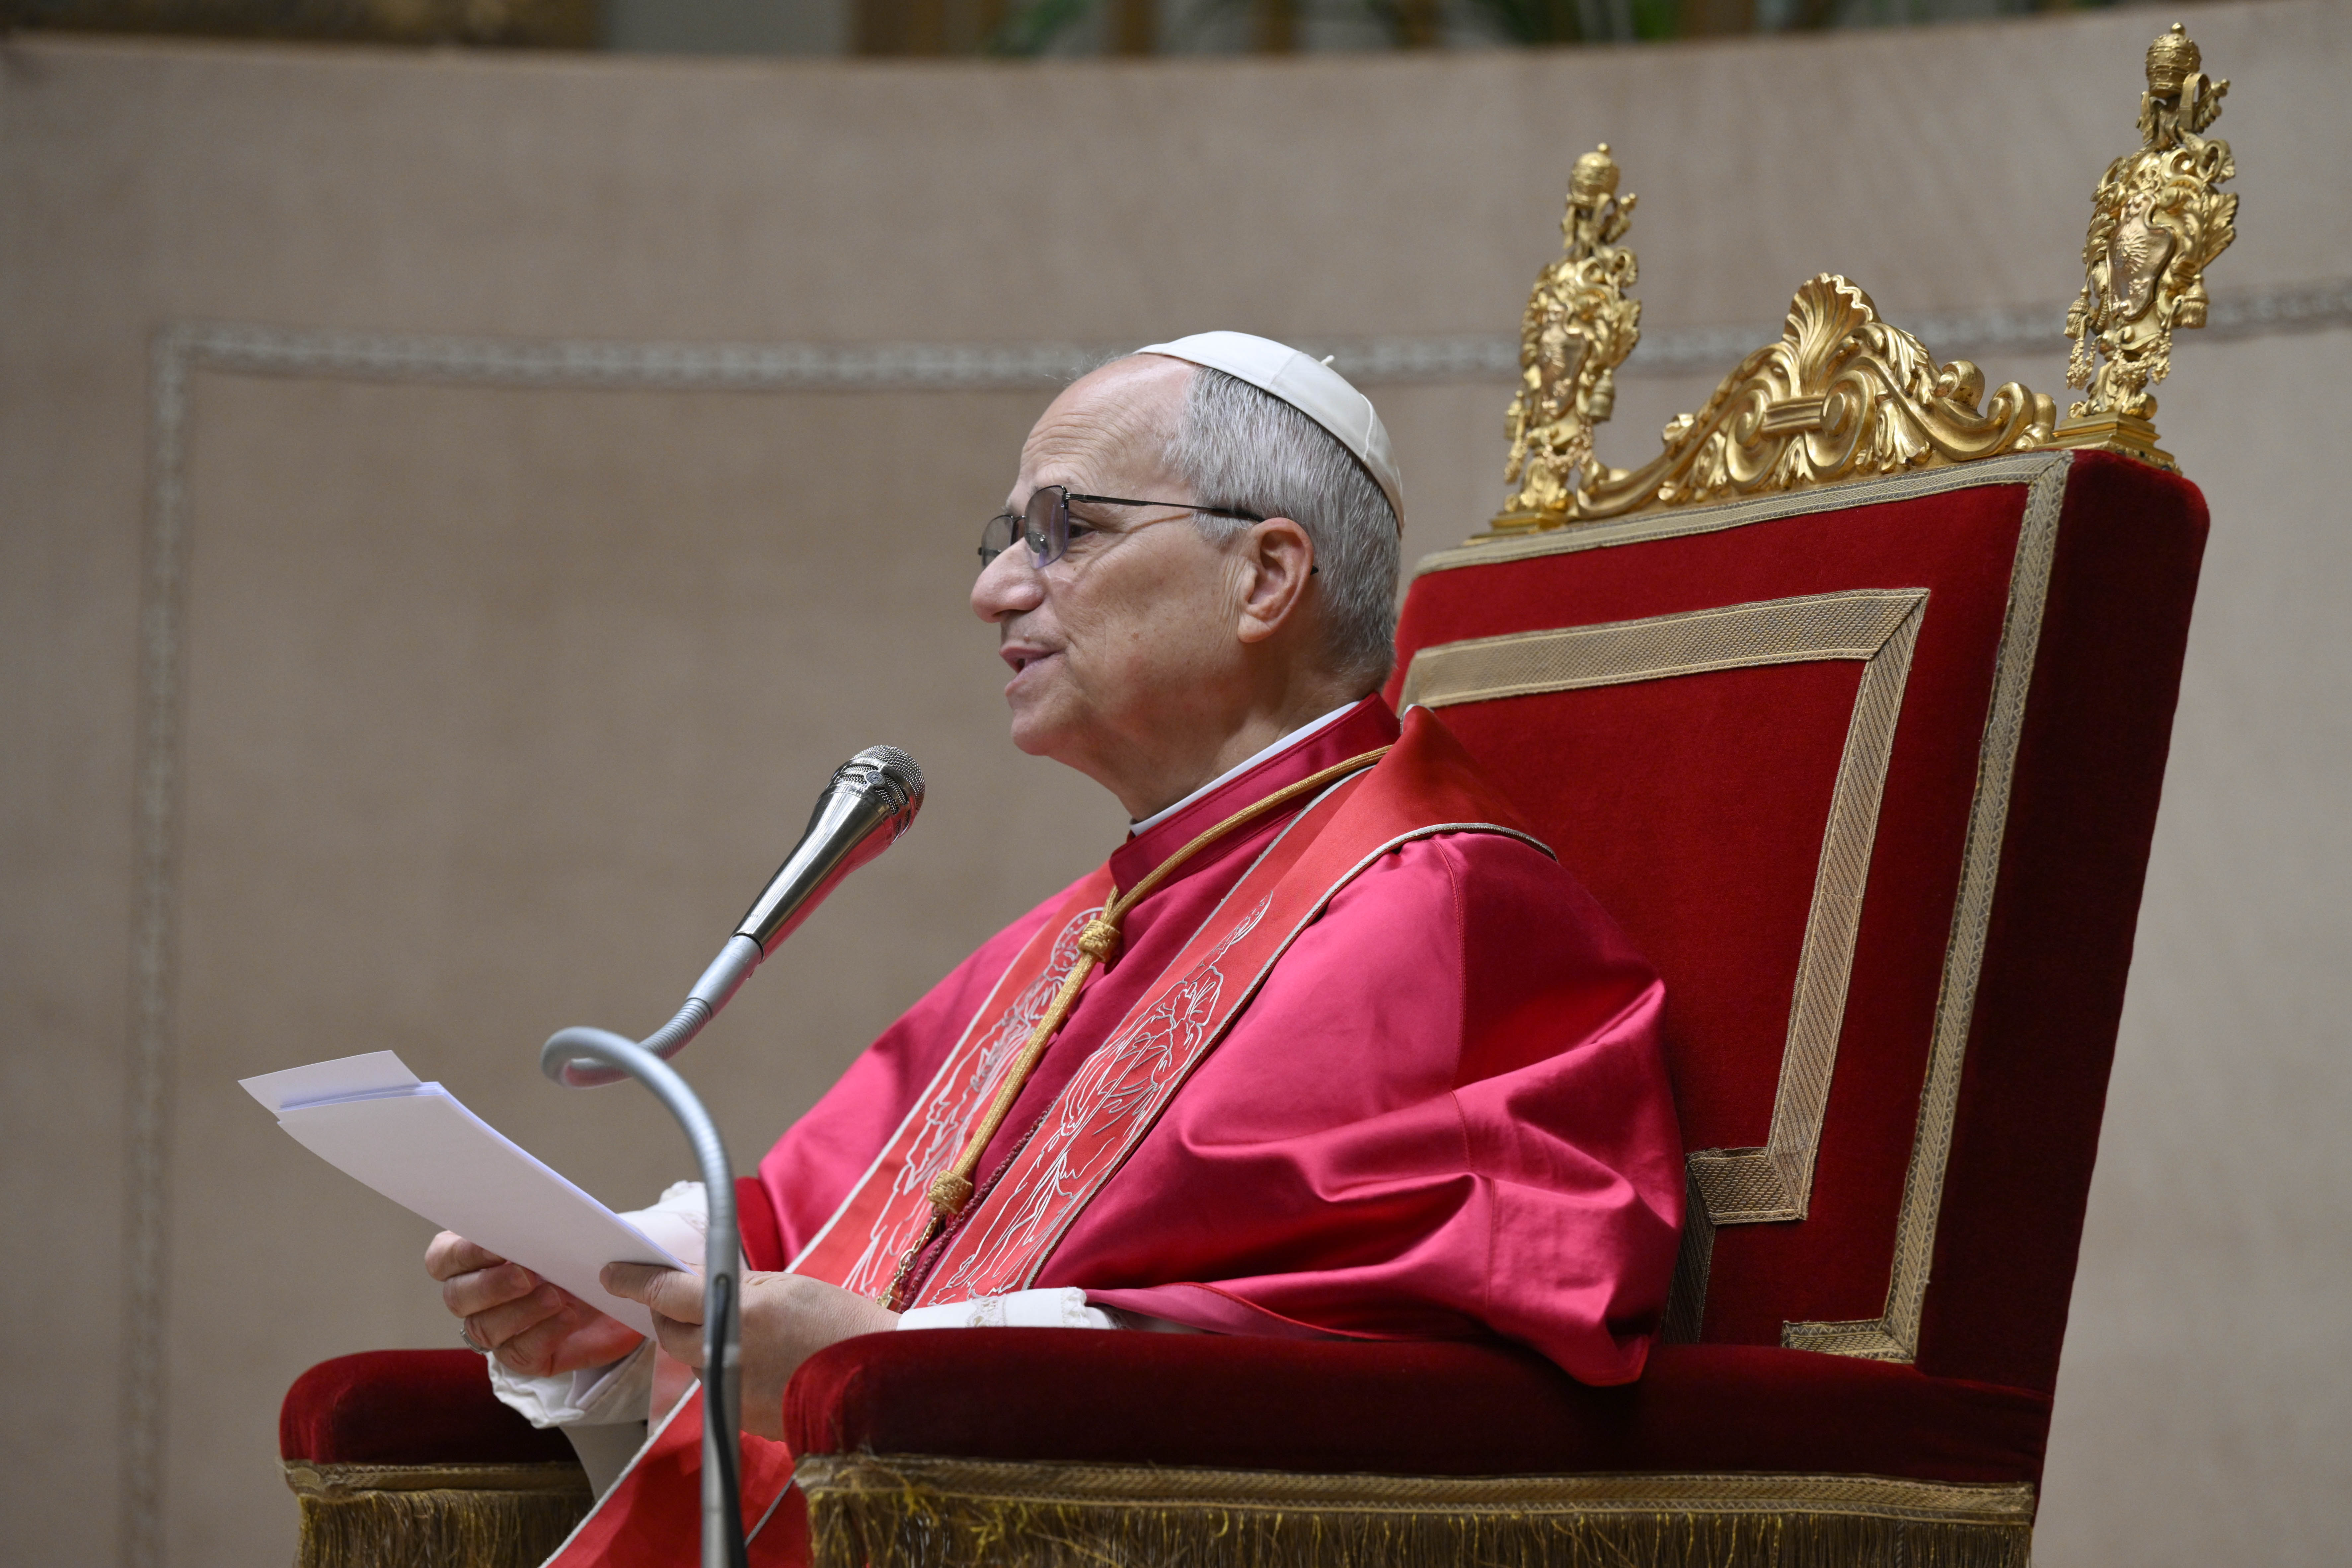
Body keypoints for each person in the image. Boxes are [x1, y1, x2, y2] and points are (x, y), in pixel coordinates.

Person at [425, 332, 1683, 1564]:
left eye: (1067, 531)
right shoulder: (1088, 926)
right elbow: (831, 1226)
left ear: (1265, 576)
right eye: (1007, 539)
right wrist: (620, 1294)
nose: (998, 589)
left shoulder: (1439, 901)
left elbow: (1390, 1349)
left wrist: (893, 1369)